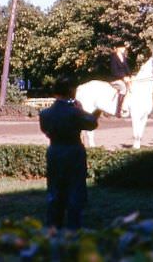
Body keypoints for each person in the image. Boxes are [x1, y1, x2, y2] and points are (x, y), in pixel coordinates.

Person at [39, 76, 101, 230]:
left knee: (54, 189)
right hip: (73, 150)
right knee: (75, 189)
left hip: (54, 151)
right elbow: (92, 124)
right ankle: (74, 228)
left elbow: (46, 130)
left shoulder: (45, 113)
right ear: (70, 91)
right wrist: (87, 110)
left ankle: (53, 226)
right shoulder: (75, 112)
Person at [110, 41, 132, 117]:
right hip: (115, 78)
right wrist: (123, 77)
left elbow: (127, 68)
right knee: (123, 88)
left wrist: (130, 76)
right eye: (122, 48)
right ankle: (118, 111)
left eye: (124, 48)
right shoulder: (113, 57)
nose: (124, 49)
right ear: (118, 48)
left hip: (124, 78)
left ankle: (127, 107)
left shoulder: (123, 56)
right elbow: (114, 71)